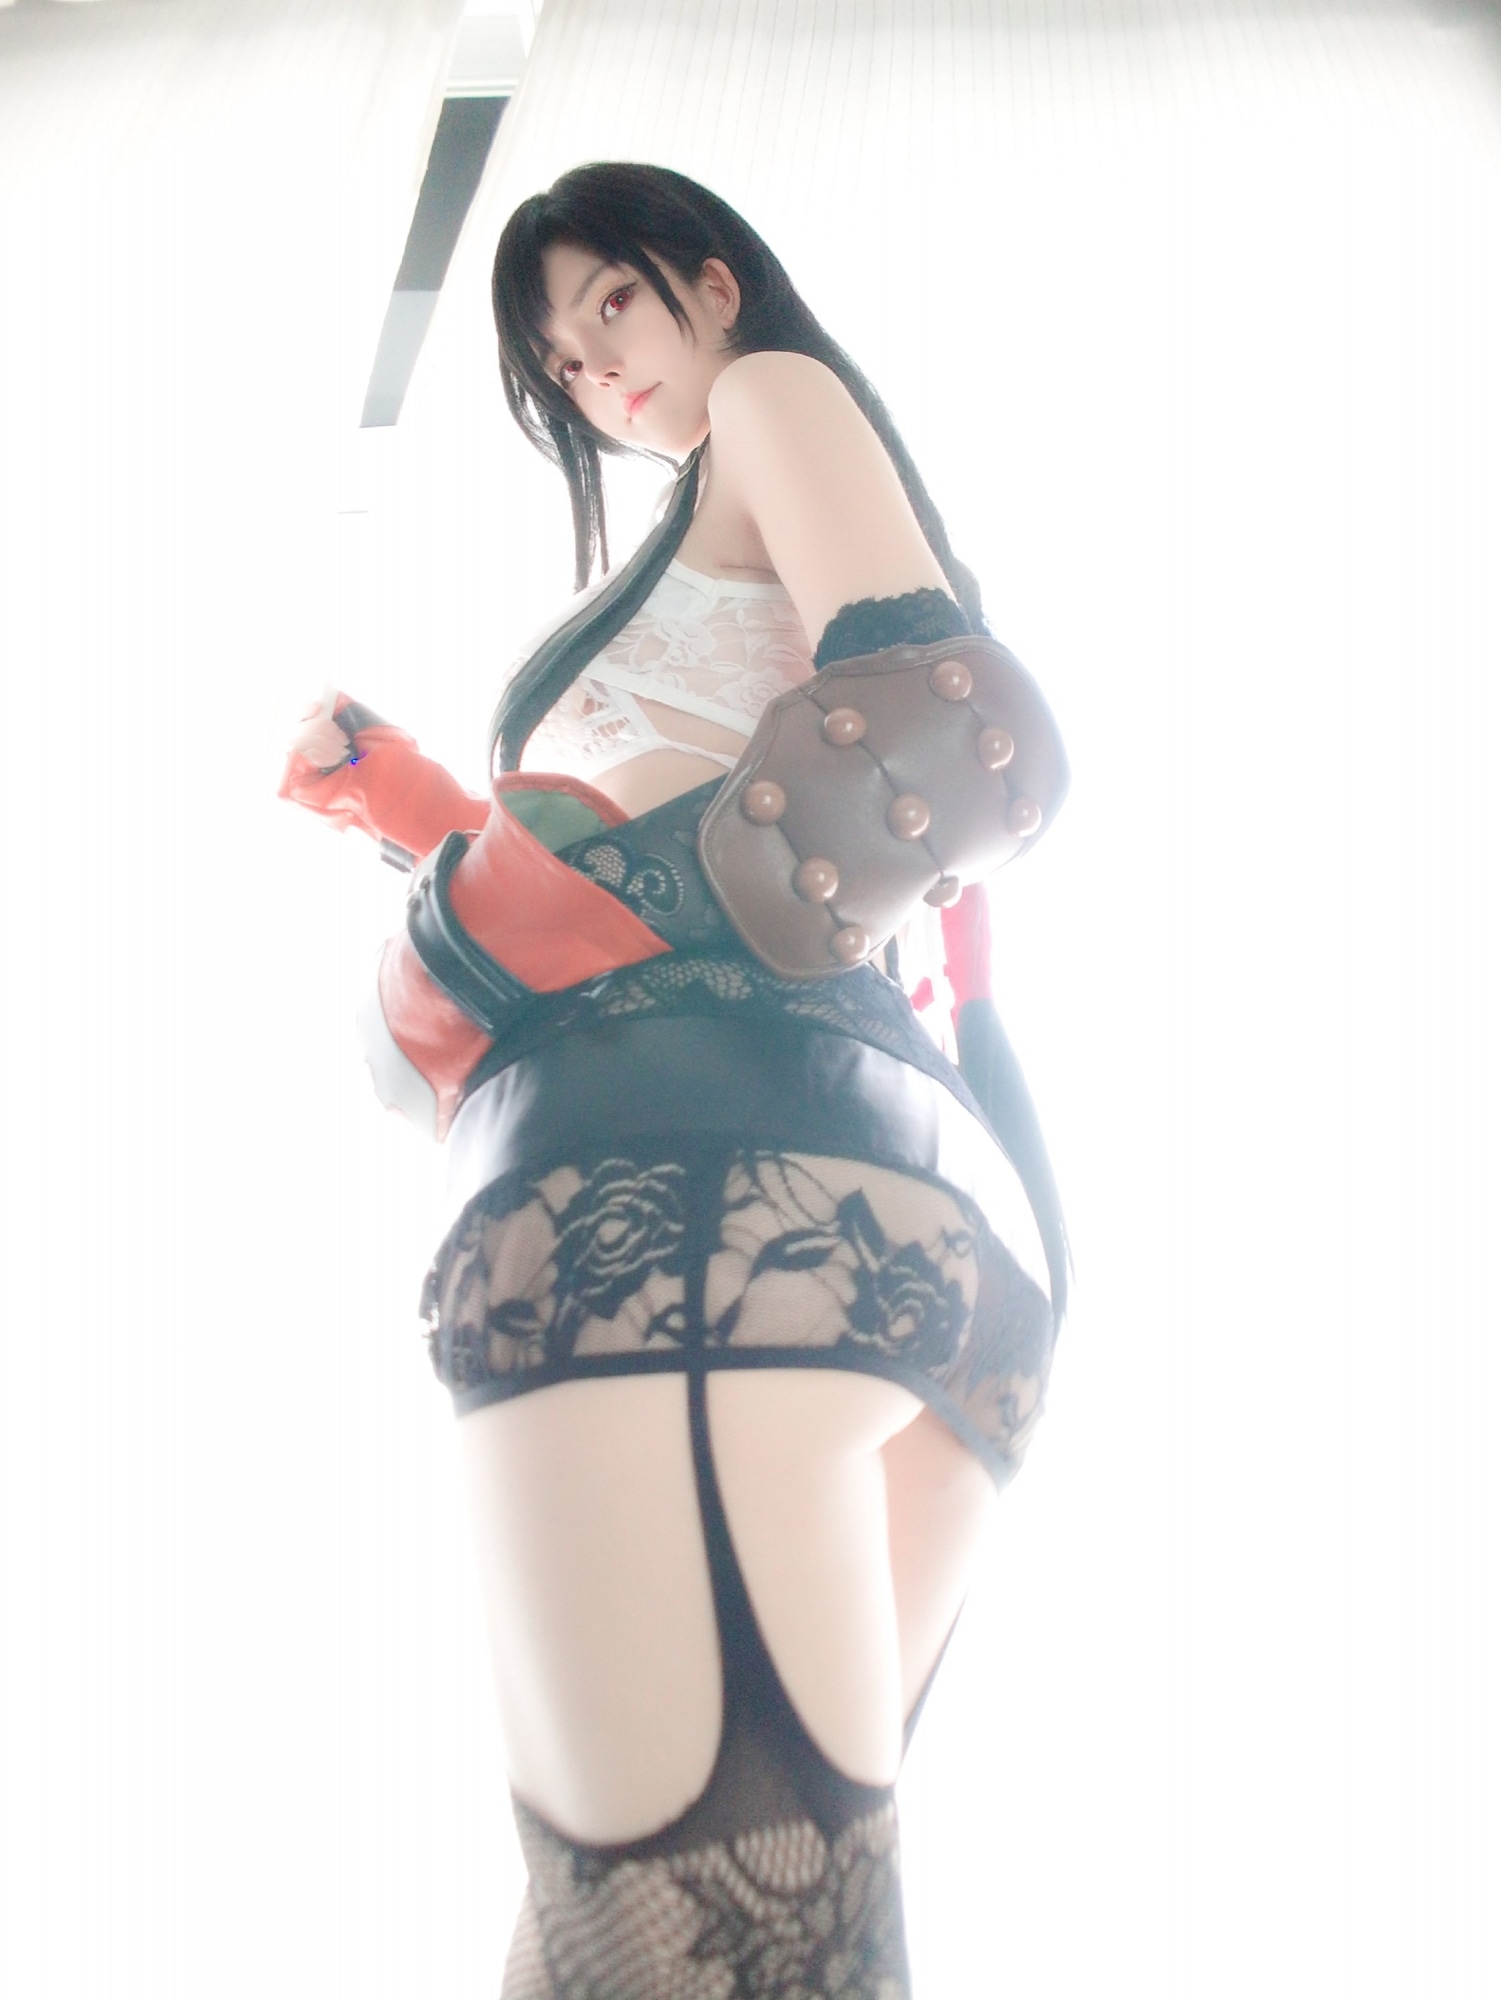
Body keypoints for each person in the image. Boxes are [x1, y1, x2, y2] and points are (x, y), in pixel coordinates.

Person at [282, 161, 1068, 1999]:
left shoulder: (768, 399)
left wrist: (493, 887)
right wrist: (417, 813)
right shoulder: (691, 534)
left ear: (711, 284)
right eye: (559, 360)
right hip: (852, 1214)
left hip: (689, 1194)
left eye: (610, 303)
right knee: (690, 1945)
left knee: (666, 1945)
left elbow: (935, 726)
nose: (592, 366)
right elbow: (679, 816)